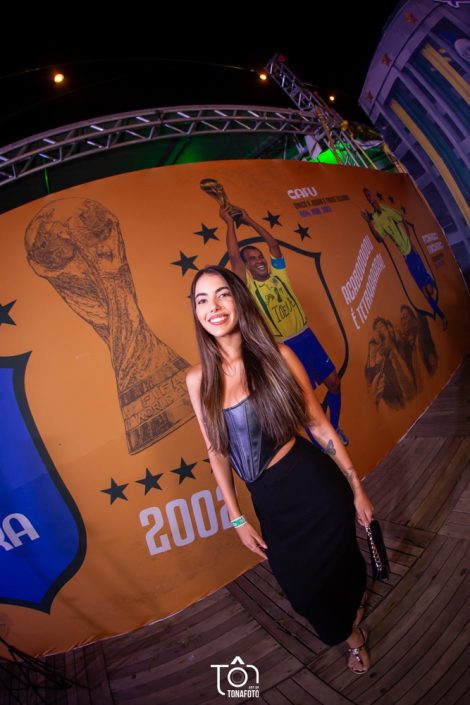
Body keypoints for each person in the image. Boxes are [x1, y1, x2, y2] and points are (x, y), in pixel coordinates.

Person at [186, 265, 374, 675]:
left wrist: (356, 486)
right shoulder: (197, 380)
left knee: (341, 560)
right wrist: (237, 518)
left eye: (222, 294)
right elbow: (217, 452)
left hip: (316, 488)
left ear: (239, 300)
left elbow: (318, 425)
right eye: (202, 300)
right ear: (196, 312)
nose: (213, 306)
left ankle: (353, 634)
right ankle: (349, 620)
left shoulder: (279, 356)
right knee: (303, 592)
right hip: (271, 506)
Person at [220, 205, 349, 446]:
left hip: (307, 337)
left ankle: (335, 427)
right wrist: (229, 223)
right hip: (286, 347)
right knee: (306, 402)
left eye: (260, 257)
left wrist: (249, 219)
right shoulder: (248, 287)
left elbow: (273, 245)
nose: (259, 261)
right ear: (246, 267)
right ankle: (324, 447)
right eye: (252, 259)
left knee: (334, 383)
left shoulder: (279, 275)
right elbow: (235, 257)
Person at [361, 189, 448, 331]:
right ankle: (443, 317)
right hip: (406, 257)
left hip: (412, 252)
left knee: (429, 290)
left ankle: (430, 283)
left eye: (370, 195)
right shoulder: (375, 219)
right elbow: (379, 238)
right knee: (425, 293)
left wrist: (410, 240)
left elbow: (402, 218)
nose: (370, 199)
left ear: (374, 195)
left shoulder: (386, 209)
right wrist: (369, 223)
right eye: (367, 197)